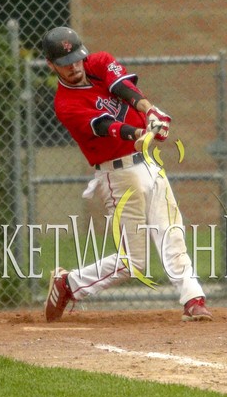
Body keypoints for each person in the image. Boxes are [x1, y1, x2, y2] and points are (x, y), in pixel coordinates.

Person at [41, 26, 212, 322]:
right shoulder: (65, 104)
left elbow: (123, 86)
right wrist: (143, 133)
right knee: (133, 263)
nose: (74, 67)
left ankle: (193, 299)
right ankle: (68, 284)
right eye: (65, 64)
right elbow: (107, 126)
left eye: (76, 60)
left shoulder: (97, 62)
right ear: (51, 65)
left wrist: (150, 112)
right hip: (118, 175)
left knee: (171, 231)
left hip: (148, 163)